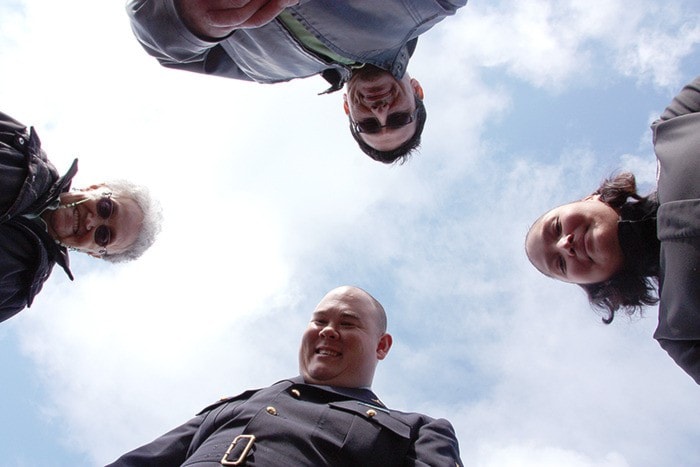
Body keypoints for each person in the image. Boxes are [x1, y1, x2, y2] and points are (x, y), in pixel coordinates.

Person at [106, 285, 463, 466]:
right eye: (319, 321)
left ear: (381, 346)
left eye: (347, 323)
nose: (327, 331)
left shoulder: (418, 431)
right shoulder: (239, 403)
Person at [125, 0, 467, 164]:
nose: (379, 113)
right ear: (417, 91)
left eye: (368, 125)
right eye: (398, 118)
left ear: (347, 108)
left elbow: (171, 52)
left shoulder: (268, 69)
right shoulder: (425, 7)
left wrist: (193, 19)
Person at [524, 76, 700, 385]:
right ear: (593, 285)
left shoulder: (675, 127)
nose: (565, 244)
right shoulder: (682, 334)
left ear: (590, 198)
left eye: (556, 228)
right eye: (561, 264)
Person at [0, 111, 162, 324]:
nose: (91, 222)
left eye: (103, 235)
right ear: (97, 187)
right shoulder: (21, 148)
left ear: (93, 253)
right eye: (106, 208)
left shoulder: (17, 289)